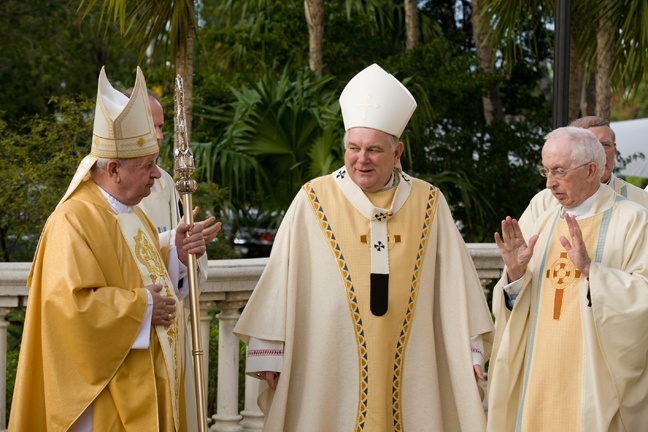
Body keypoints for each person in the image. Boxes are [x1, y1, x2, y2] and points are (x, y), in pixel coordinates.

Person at [233, 63, 494, 431]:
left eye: (373, 150)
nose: (361, 159)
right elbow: (281, 277)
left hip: (413, 359)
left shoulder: (428, 202)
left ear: (397, 151)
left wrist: (469, 349)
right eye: (353, 148)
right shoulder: (314, 198)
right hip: (327, 363)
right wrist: (269, 351)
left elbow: (456, 286)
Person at [8, 66, 210, 431]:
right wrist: (142, 307)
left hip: (144, 384)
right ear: (114, 169)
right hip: (102, 400)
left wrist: (175, 255)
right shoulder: (72, 220)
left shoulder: (132, 214)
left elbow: (136, 268)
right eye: (147, 166)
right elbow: (69, 308)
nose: (155, 175)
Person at [487, 127, 648, 431]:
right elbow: (517, 304)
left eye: (558, 171)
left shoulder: (634, 219)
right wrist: (515, 274)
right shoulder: (543, 220)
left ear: (590, 171)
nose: (549, 183)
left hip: (593, 378)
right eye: (546, 171)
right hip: (539, 372)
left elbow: (643, 297)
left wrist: (592, 272)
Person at [124, 86, 221, 431]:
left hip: (171, 325)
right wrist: (170, 243)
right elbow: (121, 255)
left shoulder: (166, 182)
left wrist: (188, 250)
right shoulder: (105, 190)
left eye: (163, 127)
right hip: (131, 335)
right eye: (153, 126)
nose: (161, 136)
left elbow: (185, 276)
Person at [519, 116, 648, 234]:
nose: (600, 152)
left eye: (606, 144)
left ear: (614, 151)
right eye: (590, 145)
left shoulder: (640, 201)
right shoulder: (543, 203)